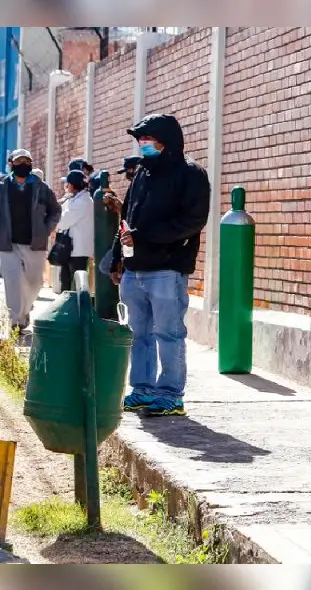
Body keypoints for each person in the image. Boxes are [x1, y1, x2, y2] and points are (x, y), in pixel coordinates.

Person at [110, 114, 210, 417]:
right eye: (140, 140)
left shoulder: (190, 174)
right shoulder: (143, 172)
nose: (143, 145)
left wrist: (144, 237)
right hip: (134, 270)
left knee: (168, 333)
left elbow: (192, 221)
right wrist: (117, 258)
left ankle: (170, 395)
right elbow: (127, 217)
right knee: (138, 334)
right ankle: (142, 390)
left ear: (167, 141)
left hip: (168, 269)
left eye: (148, 139)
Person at [0, 149, 61, 336]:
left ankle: (24, 311)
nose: (23, 165)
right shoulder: (2, 186)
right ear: (11, 164)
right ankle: (15, 321)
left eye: (27, 161)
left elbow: (55, 211)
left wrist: (46, 229)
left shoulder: (42, 188)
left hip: (35, 243)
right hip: (8, 244)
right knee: (13, 282)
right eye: (19, 162)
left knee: (34, 283)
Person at [97, 156, 141, 277]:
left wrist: (120, 207)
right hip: (126, 237)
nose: (126, 176)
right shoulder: (133, 188)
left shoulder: (141, 188)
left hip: (136, 239)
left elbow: (134, 216)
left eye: (127, 172)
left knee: (107, 266)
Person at [54, 169, 94, 293]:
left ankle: (77, 305)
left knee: (76, 284)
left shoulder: (83, 201)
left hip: (78, 250)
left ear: (72, 185)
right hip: (71, 248)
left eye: (67, 184)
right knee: (65, 280)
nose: (66, 186)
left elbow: (62, 221)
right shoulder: (75, 199)